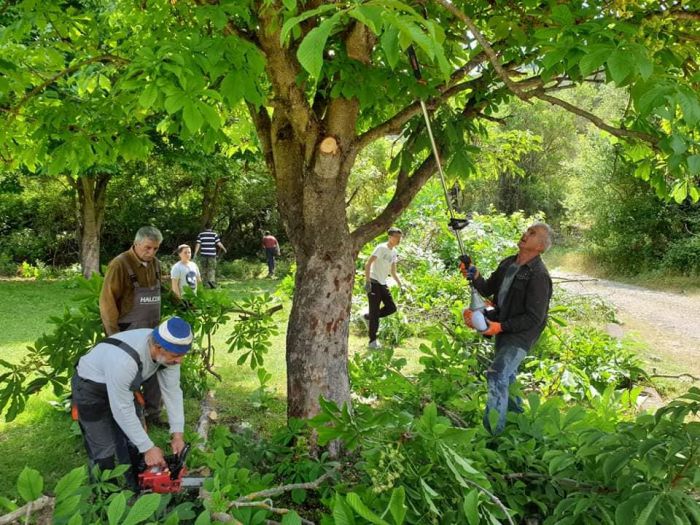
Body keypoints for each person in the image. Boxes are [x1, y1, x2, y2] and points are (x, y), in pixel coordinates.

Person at [71, 317, 193, 487]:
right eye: (176, 356)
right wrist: (148, 448)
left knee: (133, 444)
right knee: (103, 448)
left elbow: (172, 391)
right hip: (91, 388)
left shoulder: (168, 353)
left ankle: (139, 488)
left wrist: (177, 434)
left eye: (182, 355)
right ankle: (105, 498)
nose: (180, 360)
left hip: (123, 385)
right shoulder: (125, 361)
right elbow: (121, 409)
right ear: (158, 348)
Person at [462, 223, 553, 435]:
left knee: (497, 374)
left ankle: (492, 432)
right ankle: (517, 421)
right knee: (508, 377)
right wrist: (473, 275)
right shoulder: (509, 263)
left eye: (532, 234)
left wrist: (499, 326)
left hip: (521, 334)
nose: (525, 234)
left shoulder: (538, 275)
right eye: (527, 230)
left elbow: (534, 317)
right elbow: (487, 288)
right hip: (503, 327)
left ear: (540, 247)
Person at [100, 226, 164, 426]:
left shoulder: (156, 264)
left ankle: (154, 414)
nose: (151, 253)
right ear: (136, 244)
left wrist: (182, 302)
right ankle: (132, 420)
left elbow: (162, 290)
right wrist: (115, 338)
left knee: (155, 372)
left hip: (153, 330)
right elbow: (107, 302)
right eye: (147, 248)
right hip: (128, 331)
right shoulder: (120, 264)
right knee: (129, 377)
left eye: (155, 249)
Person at [363, 227, 404, 349]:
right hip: (374, 282)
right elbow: (368, 263)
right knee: (375, 311)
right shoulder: (381, 248)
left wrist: (400, 284)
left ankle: (368, 317)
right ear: (390, 237)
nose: (398, 239)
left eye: (400, 237)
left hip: (382, 283)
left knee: (391, 308)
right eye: (396, 237)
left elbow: (393, 271)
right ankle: (372, 341)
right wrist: (367, 281)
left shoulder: (394, 252)